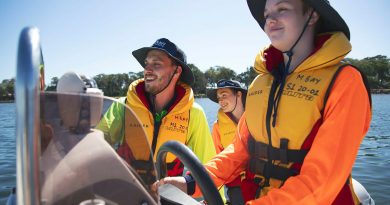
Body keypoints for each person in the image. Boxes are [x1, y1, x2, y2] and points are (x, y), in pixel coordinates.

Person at [159, 0, 372, 204]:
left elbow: (322, 180)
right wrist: (191, 182)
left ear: (312, 14)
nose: (270, 20)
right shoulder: (260, 83)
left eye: (282, 9)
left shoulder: (345, 81)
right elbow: (239, 150)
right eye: (267, 14)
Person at [97, 38, 217, 179]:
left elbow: (209, 164)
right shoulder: (123, 105)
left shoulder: (194, 113)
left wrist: (218, 200)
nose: (147, 69)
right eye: (147, 64)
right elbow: (97, 142)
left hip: (169, 195)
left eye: (156, 64)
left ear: (176, 71)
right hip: (128, 189)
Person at [207, 79, 255, 204]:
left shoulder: (257, 118)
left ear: (239, 95)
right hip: (235, 187)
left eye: (224, 95)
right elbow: (217, 160)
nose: (220, 101)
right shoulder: (217, 127)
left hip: (260, 182)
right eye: (218, 98)